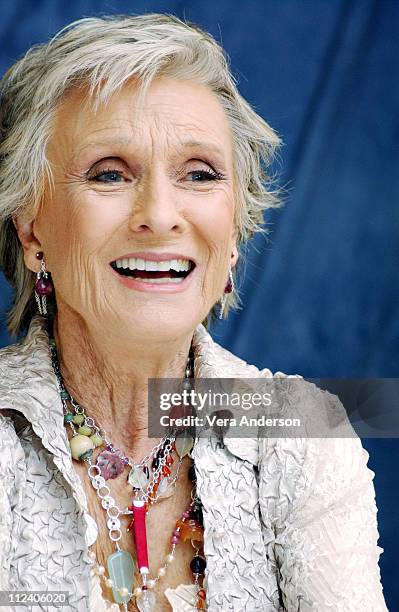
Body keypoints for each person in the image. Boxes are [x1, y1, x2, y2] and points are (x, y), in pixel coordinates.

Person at [0, 13, 388, 612]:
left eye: (199, 174)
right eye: (109, 173)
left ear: (232, 233)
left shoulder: (304, 433)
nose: (160, 214)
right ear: (32, 231)